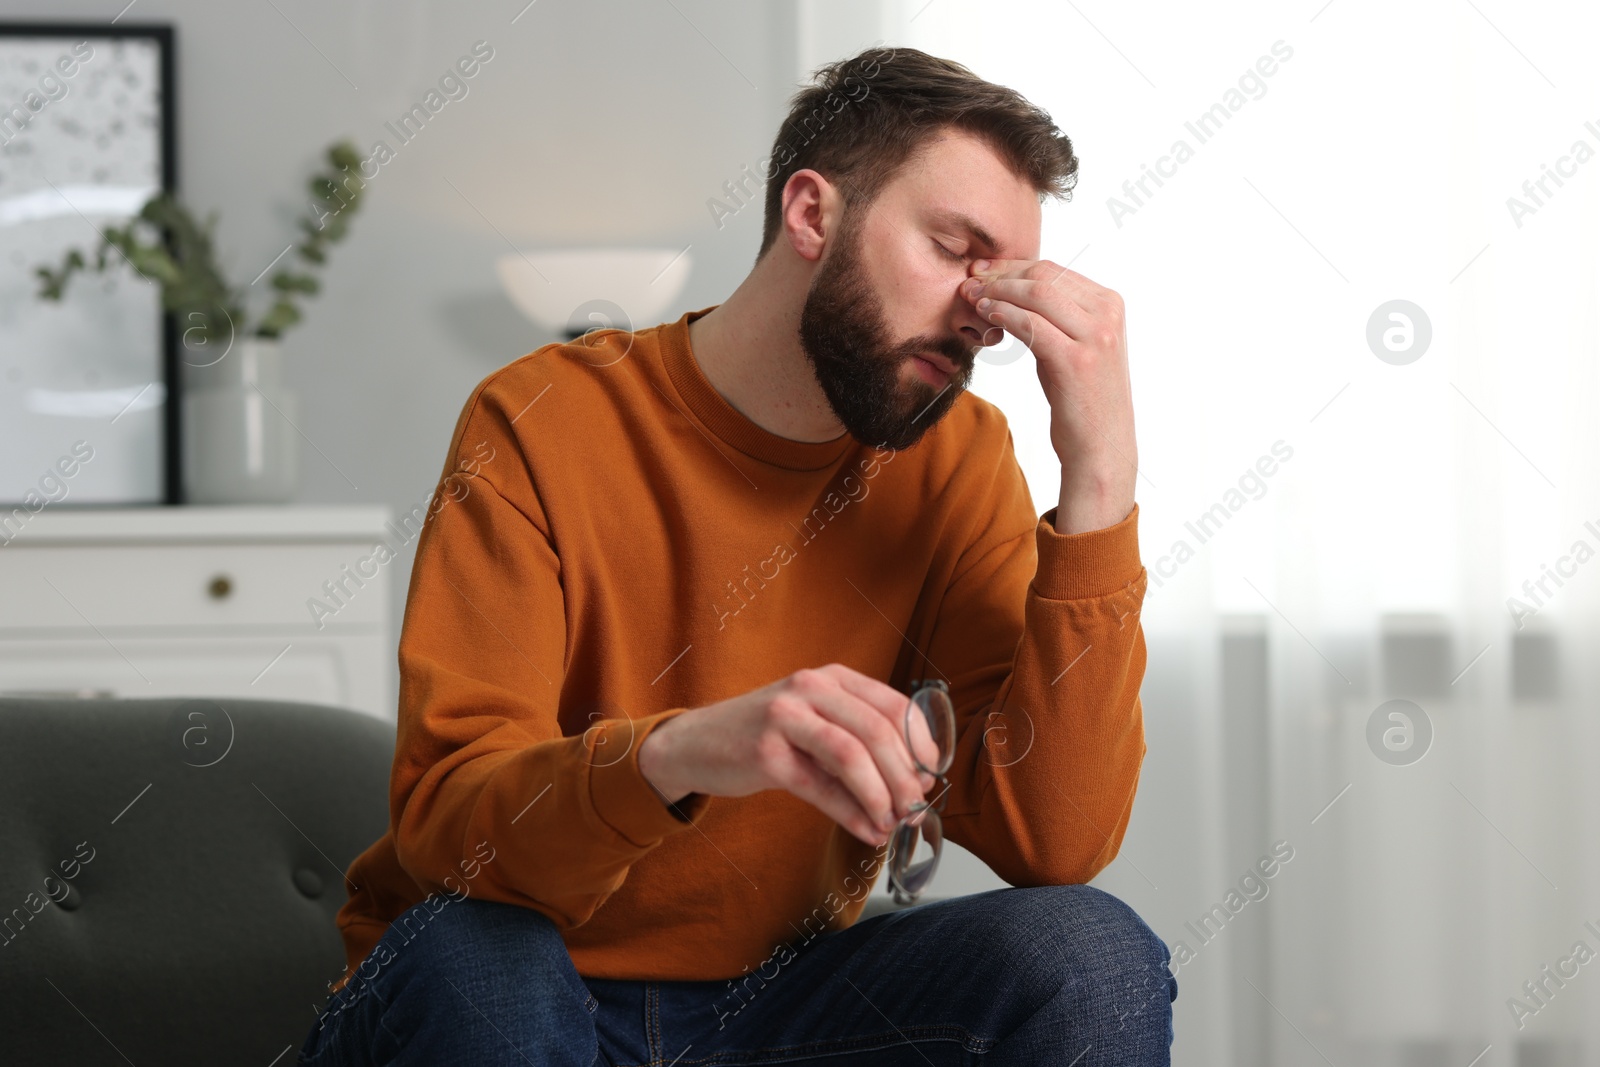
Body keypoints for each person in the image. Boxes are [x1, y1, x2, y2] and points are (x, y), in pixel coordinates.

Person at [299, 44, 1174, 1066]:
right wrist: (680, 752)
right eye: (953, 250)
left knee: (1091, 952)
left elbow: (1052, 843)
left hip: (776, 1005)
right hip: (516, 978)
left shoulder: (959, 461)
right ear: (812, 214)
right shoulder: (540, 419)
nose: (983, 314)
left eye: (1008, 280)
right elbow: (454, 834)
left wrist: (1099, 478)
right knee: (483, 961)